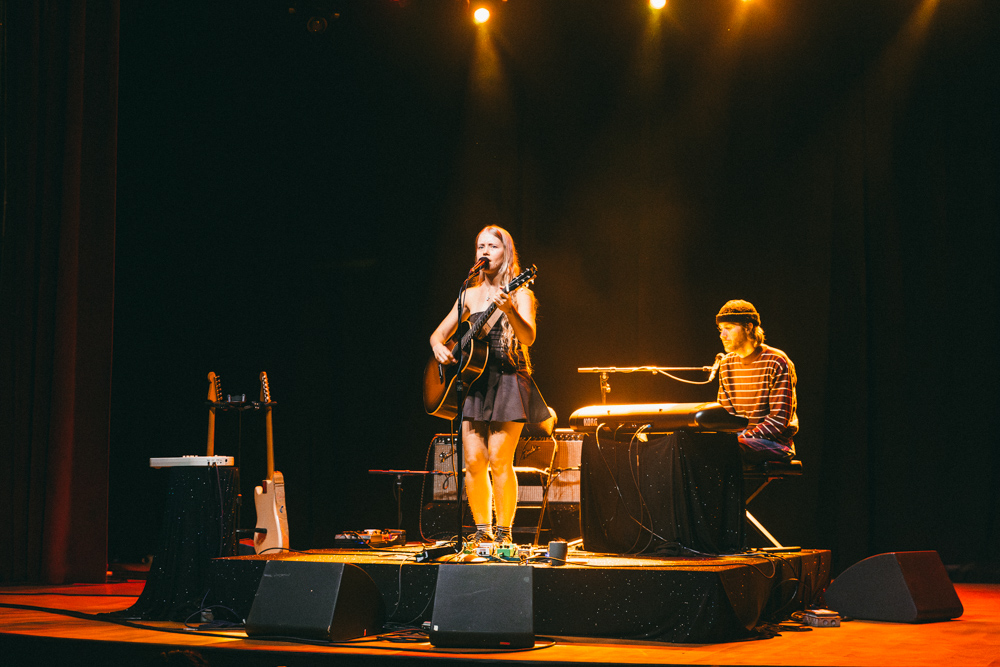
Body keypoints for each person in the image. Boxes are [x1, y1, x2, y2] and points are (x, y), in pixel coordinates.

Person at [429, 225, 550, 547]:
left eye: (492, 246)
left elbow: (528, 337)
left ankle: (504, 533)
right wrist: (439, 348)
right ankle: (482, 530)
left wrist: (509, 308)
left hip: (509, 377)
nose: (484, 251)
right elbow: (437, 335)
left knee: (498, 459)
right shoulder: (468, 295)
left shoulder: (520, 293)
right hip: (474, 381)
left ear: (505, 252)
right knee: (472, 461)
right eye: (480, 246)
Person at [715, 299, 798, 463]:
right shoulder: (726, 364)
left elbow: (779, 420)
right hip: (740, 440)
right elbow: (726, 415)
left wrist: (742, 436)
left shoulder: (777, 361)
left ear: (748, 327)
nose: (722, 335)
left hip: (774, 443)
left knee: (726, 450)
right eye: (721, 329)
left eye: (729, 328)